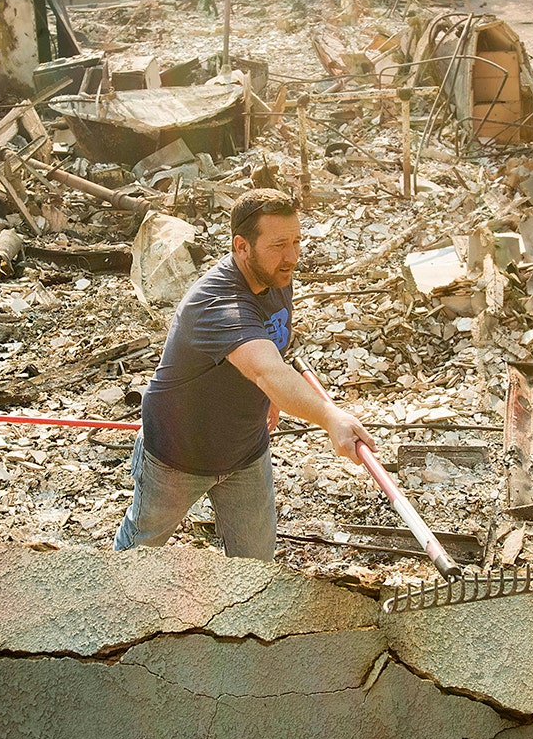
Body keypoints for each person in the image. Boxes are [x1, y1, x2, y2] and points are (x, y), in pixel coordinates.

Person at [113, 189, 376, 561]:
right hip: (176, 457)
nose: (292, 257)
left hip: (245, 453)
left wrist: (269, 396)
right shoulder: (217, 302)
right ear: (242, 246)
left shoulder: (275, 276)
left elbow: (271, 346)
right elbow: (268, 370)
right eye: (279, 244)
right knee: (134, 557)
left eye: (297, 241)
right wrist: (330, 416)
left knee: (255, 567)